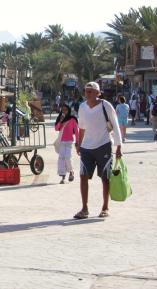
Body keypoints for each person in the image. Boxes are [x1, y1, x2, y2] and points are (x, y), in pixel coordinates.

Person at [74, 82, 122, 219]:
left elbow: (116, 125)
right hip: (86, 147)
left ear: (97, 93)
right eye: (86, 91)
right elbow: (81, 127)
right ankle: (84, 208)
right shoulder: (82, 107)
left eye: (90, 91)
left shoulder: (105, 105)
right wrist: (79, 143)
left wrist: (119, 146)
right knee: (83, 176)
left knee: (105, 178)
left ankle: (105, 207)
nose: (87, 94)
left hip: (104, 145)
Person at [54, 103, 78, 184]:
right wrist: (60, 121)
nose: (64, 111)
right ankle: (63, 176)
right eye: (62, 110)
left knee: (67, 157)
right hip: (61, 141)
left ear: (69, 110)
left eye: (65, 110)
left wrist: (78, 142)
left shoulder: (73, 119)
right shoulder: (60, 119)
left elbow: (77, 132)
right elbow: (56, 129)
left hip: (69, 142)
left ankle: (71, 171)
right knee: (61, 158)